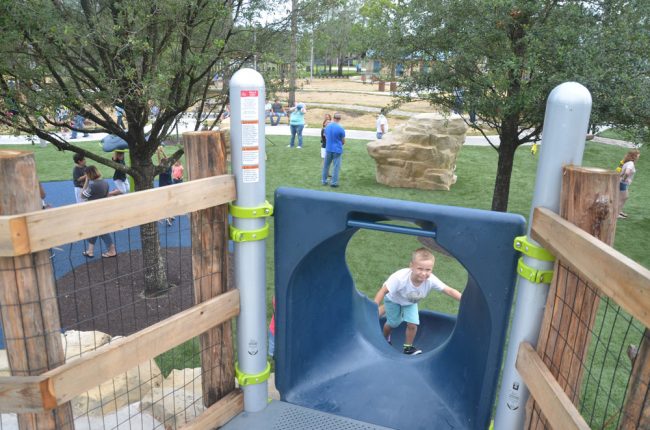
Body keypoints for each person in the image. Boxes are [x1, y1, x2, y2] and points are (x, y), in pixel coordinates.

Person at [374, 248, 462, 355]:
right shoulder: (400, 278)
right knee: (394, 323)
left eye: (428, 270)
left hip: (410, 302)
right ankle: (385, 339)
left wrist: (464, 300)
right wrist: (373, 307)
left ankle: (408, 348)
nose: (424, 273)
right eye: (420, 268)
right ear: (411, 266)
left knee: (413, 324)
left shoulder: (431, 280)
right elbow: (383, 291)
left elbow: (449, 290)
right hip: (393, 299)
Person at [81, 166, 117, 258]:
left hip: (94, 212)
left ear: (89, 174)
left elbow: (82, 196)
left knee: (102, 231)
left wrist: (86, 181)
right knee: (95, 230)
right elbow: (107, 195)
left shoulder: (92, 185)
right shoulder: (105, 182)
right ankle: (90, 251)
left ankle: (112, 250)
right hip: (103, 210)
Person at [321, 112, 345, 187]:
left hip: (328, 148)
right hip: (337, 149)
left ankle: (324, 181)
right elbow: (343, 141)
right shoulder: (341, 128)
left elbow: (326, 136)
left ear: (333, 118)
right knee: (336, 167)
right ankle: (334, 183)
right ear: (339, 119)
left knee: (326, 165)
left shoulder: (327, 127)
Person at [618, 149, 640, 219]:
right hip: (623, 183)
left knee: (624, 197)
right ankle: (617, 213)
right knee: (623, 198)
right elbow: (627, 172)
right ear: (635, 156)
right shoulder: (631, 163)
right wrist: (624, 179)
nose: (639, 156)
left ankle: (619, 211)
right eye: (638, 155)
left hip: (621, 182)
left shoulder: (627, 162)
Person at [157, 146, 175, 225]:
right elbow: (166, 159)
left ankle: (169, 216)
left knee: (166, 202)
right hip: (169, 187)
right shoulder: (169, 167)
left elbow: (160, 160)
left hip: (163, 187)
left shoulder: (161, 169)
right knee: (169, 202)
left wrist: (158, 152)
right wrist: (162, 151)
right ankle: (168, 217)